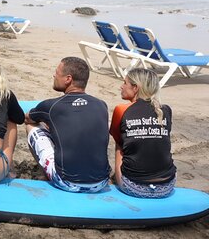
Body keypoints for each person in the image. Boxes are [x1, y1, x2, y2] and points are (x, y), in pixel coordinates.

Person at [24, 56, 110, 192]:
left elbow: (28, 118)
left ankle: (47, 176)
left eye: (57, 73)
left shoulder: (52, 106)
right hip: (101, 182)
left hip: (68, 182)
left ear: (68, 79)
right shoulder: (102, 105)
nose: (54, 75)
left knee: (31, 127)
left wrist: (47, 121)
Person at [109, 68, 176, 198]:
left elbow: (120, 141)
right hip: (167, 185)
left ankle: (118, 178)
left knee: (119, 144)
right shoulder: (165, 110)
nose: (121, 87)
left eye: (124, 83)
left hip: (134, 187)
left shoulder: (121, 109)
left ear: (135, 88)